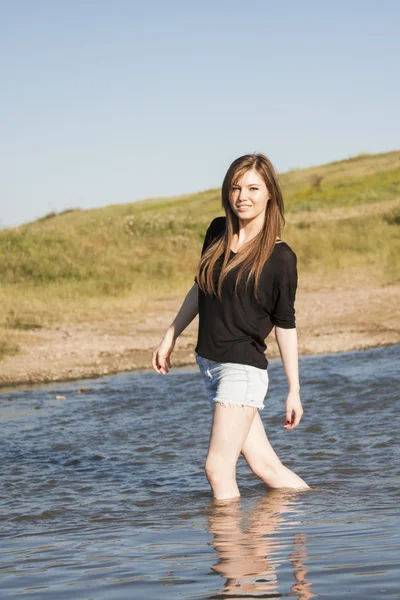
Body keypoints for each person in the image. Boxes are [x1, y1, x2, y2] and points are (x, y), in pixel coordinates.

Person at [152, 153, 310, 500]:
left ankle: (231, 553)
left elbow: (286, 325)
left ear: (270, 194)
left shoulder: (281, 258)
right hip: (211, 365)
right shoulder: (217, 231)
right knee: (266, 467)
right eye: (236, 187)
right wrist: (171, 333)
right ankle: (310, 515)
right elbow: (201, 286)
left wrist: (294, 390)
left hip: (242, 369)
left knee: (217, 468)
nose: (243, 196)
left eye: (253, 188)